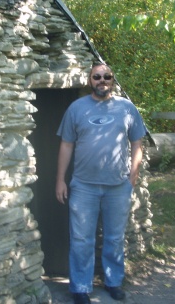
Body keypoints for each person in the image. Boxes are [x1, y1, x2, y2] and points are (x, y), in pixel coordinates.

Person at [55, 63, 146, 304]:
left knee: (115, 238)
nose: (102, 80)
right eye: (97, 77)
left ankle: (113, 282)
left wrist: (133, 175)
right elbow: (66, 145)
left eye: (107, 76)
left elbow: (137, 143)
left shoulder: (127, 108)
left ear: (113, 80)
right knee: (81, 239)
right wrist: (60, 180)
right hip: (83, 187)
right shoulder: (76, 108)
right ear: (90, 80)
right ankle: (80, 288)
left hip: (117, 187)